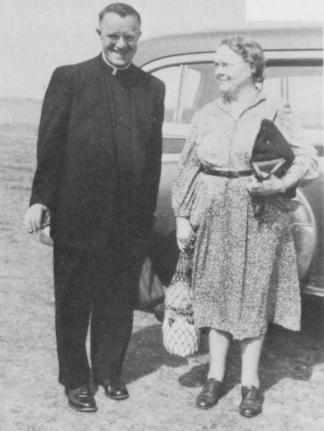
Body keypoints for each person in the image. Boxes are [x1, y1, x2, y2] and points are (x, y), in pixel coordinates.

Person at [24, 3, 165, 413]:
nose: (122, 44)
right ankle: (75, 379)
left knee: (118, 298)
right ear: (99, 34)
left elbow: (152, 158)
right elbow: (49, 145)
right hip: (77, 214)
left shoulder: (152, 89)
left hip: (129, 219)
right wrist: (40, 200)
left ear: (139, 35)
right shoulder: (69, 78)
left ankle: (108, 371)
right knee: (73, 300)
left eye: (130, 37)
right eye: (113, 36)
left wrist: (146, 216)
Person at [172, 35, 318, 418]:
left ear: (251, 67)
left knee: (253, 296)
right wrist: (182, 216)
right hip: (214, 213)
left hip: (260, 216)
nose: (217, 70)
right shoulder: (206, 114)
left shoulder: (274, 108)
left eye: (225, 64)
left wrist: (281, 184)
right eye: (215, 64)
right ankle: (215, 377)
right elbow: (189, 166)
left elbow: (306, 156)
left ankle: (250, 382)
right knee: (216, 293)